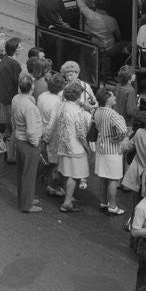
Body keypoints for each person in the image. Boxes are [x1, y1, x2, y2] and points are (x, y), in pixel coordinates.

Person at [50, 83, 92, 212]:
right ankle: (67, 202)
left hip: (63, 144)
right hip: (75, 147)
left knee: (66, 172)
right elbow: (81, 133)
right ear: (78, 96)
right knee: (74, 175)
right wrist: (87, 148)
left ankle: (67, 194)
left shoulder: (62, 106)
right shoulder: (77, 111)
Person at [92, 86, 129, 216]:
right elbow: (123, 131)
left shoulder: (97, 111)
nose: (115, 97)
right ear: (108, 99)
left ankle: (103, 202)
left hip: (101, 149)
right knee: (113, 179)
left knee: (103, 178)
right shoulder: (112, 114)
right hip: (112, 151)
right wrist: (116, 139)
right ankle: (112, 206)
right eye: (113, 96)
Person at [10, 72, 44, 213]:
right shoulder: (30, 107)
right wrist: (36, 143)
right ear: (31, 88)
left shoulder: (16, 99)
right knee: (29, 175)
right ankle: (26, 205)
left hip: (19, 139)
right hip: (29, 143)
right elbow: (31, 131)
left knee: (22, 172)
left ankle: (25, 198)